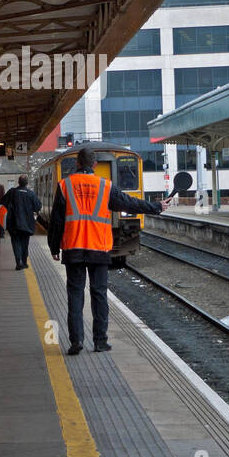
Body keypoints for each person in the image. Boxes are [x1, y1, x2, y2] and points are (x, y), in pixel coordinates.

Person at [48, 147, 166, 355]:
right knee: (99, 294)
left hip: (73, 247)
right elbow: (129, 203)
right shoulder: (105, 186)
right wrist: (155, 206)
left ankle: (76, 341)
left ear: (77, 163)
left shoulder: (65, 185)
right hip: (98, 248)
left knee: (75, 296)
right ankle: (100, 341)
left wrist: (53, 246)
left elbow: (57, 220)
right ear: (94, 165)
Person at [2, 175, 41, 269]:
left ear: (18, 182)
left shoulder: (12, 192)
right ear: (27, 183)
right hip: (27, 223)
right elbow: (38, 207)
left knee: (15, 241)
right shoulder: (31, 194)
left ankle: (18, 261)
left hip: (13, 222)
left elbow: (3, 203)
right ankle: (24, 261)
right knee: (25, 242)